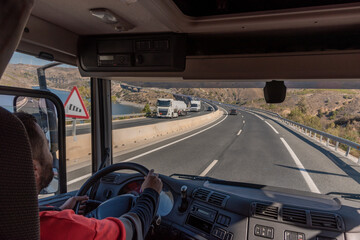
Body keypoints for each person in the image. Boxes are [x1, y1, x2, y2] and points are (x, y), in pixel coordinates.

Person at [14, 112, 163, 240]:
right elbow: (128, 232)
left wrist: (61, 210)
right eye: (47, 148)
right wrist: (150, 193)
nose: (53, 155)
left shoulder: (16, 218)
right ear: (34, 170)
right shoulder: (59, 227)